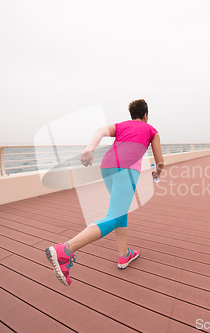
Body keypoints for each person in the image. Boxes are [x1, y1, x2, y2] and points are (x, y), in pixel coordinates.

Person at [45, 99, 164, 286]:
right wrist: (157, 172)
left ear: (132, 115)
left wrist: (88, 150)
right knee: (115, 215)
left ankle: (124, 254)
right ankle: (65, 250)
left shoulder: (122, 125)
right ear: (146, 115)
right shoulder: (151, 130)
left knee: (120, 211)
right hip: (127, 170)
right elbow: (160, 161)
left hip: (107, 166)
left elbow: (100, 130)